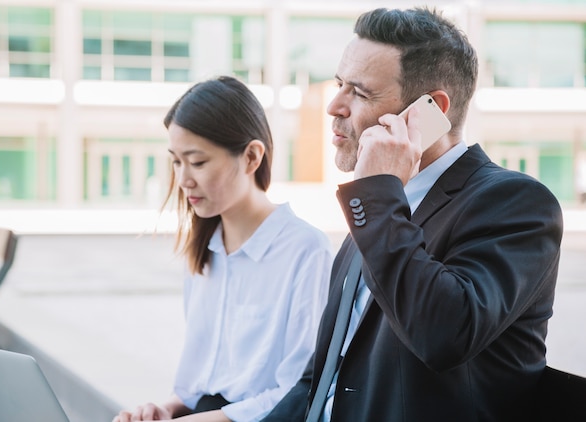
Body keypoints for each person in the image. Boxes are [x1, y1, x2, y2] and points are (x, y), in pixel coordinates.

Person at [263, 7, 563, 422]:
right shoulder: (375, 212)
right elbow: (322, 379)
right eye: (339, 85)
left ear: (430, 111)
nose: (333, 106)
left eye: (360, 93)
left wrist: (375, 197)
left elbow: (445, 334)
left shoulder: (515, 203)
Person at [113, 76, 333, 422]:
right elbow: (194, 387)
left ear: (251, 157)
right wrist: (163, 411)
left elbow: (297, 393)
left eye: (197, 162)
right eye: (176, 161)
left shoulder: (305, 251)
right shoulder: (204, 250)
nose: (184, 179)